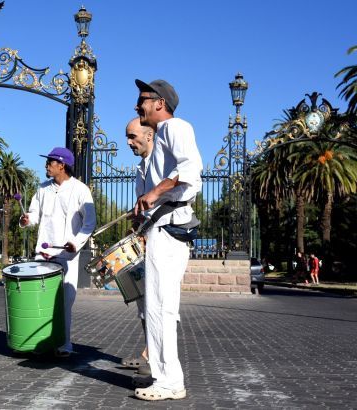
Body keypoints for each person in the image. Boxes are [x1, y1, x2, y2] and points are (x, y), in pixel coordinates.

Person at [132, 79, 203, 401]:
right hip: (161, 225)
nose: (138, 105)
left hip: (170, 227)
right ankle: (164, 377)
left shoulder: (176, 127)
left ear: (159, 103)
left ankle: (169, 381)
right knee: (157, 307)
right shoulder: (162, 136)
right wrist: (143, 209)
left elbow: (192, 169)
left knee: (161, 307)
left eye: (143, 99)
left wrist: (155, 192)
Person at [19, 147, 96, 357]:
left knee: (64, 303)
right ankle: (40, 343)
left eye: (50, 162)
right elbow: (33, 215)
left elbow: (89, 222)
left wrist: (76, 243)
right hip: (42, 255)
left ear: (61, 165)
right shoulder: (42, 189)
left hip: (66, 256)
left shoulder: (80, 190)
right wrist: (26, 219)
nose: (46, 165)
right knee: (39, 301)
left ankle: (63, 344)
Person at [121, 118, 155, 377]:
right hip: (146, 240)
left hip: (163, 240)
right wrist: (137, 223)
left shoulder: (160, 162)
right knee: (142, 302)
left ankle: (155, 358)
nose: (129, 142)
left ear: (149, 136)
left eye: (132, 136)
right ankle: (149, 352)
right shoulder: (140, 168)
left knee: (157, 303)